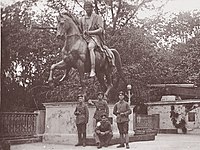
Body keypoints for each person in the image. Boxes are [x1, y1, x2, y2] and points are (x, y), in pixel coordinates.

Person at [80, 1, 115, 77]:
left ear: (92, 8)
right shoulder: (82, 19)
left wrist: (90, 32)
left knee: (90, 47)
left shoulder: (97, 17)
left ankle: (93, 69)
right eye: (86, 7)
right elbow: (79, 29)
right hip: (84, 38)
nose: (87, 9)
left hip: (95, 37)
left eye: (89, 7)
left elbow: (100, 30)